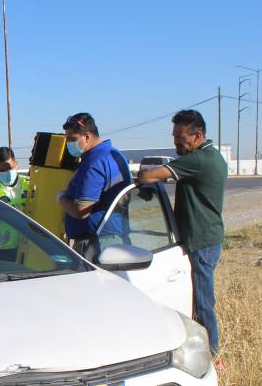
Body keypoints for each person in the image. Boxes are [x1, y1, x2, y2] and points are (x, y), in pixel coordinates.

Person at [138, 109, 227, 357]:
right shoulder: (212, 156)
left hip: (201, 241)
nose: (176, 140)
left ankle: (211, 353)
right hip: (206, 238)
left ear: (197, 135)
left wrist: (144, 177)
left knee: (203, 302)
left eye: (180, 135)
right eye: (174, 135)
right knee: (198, 298)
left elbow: (148, 175)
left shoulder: (198, 160)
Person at [57, 113, 131, 255]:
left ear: (87, 136)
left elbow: (81, 211)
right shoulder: (114, 154)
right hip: (115, 237)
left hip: (96, 244)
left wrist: (61, 198)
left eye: (72, 139)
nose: (68, 144)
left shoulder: (93, 163)